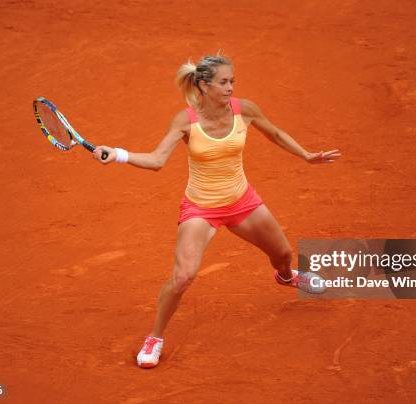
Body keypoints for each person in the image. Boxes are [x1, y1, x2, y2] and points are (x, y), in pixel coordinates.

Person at [93, 54, 341, 368]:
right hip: (201, 209)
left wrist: (306, 156)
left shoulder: (245, 110)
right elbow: (157, 161)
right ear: (204, 85)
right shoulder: (186, 121)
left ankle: (286, 276)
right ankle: (155, 337)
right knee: (183, 277)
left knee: (282, 253)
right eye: (224, 82)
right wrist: (117, 154)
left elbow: (275, 134)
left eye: (232, 81)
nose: (230, 88)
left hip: (242, 201)